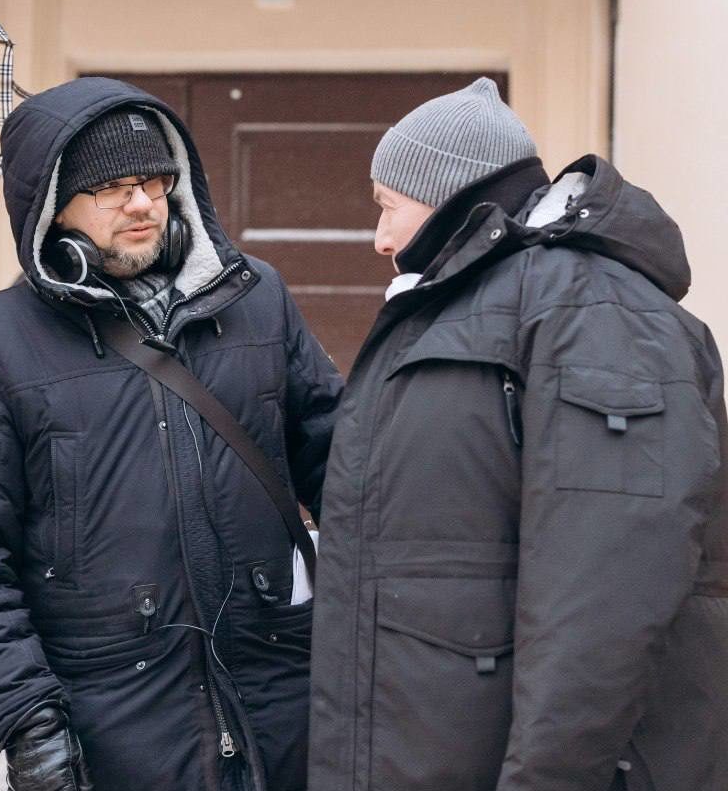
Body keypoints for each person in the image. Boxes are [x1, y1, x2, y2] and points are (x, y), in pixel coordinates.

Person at [0, 77, 344, 791]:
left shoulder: (257, 299)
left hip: (284, 707)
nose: (141, 203)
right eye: (110, 188)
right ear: (52, 207)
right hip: (111, 729)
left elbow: (346, 472)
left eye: (153, 181)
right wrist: (29, 720)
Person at [308, 77, 728, 791]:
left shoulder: (594, 313)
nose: (381, 239)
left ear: (448, 194)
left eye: (387, 205)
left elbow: (605, 594)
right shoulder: (473, 308)